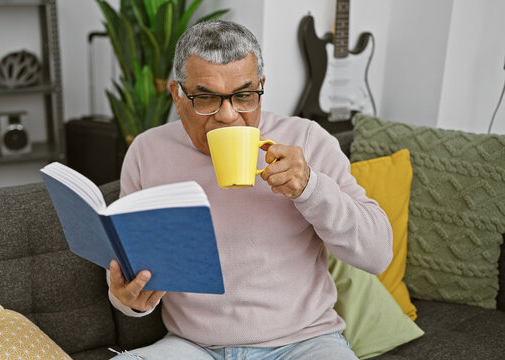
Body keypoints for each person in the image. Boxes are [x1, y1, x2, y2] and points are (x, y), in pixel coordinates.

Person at [107, 19, 392, 360]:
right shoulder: (147, 151)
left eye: (243, 96)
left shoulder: (307, 139)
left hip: (303, 343)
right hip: (194, 347)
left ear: (261, 88)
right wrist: (127, 300)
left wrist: (311, 188)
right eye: (206, 98)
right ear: (177, 95)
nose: (228, 115)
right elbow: (132, 264)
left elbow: (378, 254)